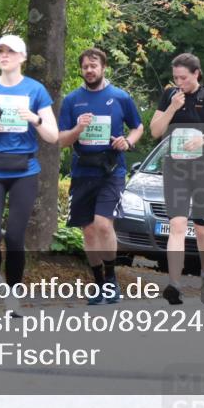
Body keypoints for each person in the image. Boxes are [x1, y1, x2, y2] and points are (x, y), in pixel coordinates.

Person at [0, 35, 59, 315]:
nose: (4, 56)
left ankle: (12, 296)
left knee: (16, 236)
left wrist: (35, 118)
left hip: (25, 170)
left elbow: (53, 135)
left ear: (22, 57)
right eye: (0, 51)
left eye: (10, 52)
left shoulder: (35, 90)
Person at [149, 53, 204, 305]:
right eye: (176, 77)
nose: (180, 82)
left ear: (197, 73)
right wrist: (172, 108)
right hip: (176, 169)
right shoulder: (170, 96)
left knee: (201, 227)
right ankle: (175, 284)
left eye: (184, 78)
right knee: (177, 225)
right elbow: (155, 131)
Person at [58, 48, 143, 305]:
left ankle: (111, 278)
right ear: (81, 70)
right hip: (83, 171)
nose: (90, 70)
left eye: (94, 66)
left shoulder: (119, 97)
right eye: (85, 67)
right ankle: (98, 283)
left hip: (111, 171)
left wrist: (127, 142)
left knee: (103, 224)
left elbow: (137, 127)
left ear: (103, 67)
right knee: (89, 232)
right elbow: (61, 140)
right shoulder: (72, 100)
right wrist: (78, 128)